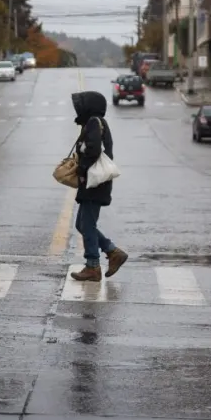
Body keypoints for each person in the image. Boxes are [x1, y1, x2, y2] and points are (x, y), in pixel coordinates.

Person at [69, 90, 128, 282]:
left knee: (87, 224)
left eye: (81, 105)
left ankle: (93, 266)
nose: (78, 108)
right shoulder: (93, 122)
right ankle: (112, 251)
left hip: (95, 181)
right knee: (82, 224)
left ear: (90, 106)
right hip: (95, 182)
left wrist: (81, 168)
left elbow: (93, 149)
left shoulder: (94, 122)